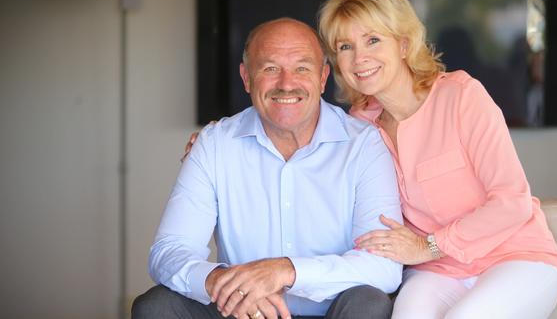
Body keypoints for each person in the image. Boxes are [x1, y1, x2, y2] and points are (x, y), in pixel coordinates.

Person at [317, 0, 557, 319]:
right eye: (345, 46)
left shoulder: (462, 96)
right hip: (437, 270)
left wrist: (427, 246)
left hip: (515, 256)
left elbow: (513, 202)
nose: (359, 58)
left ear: (403, 45)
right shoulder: (359, 123)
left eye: (373, 40)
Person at [133, 18, 403, 319]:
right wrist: (221, 283)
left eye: (302, 68)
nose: (286, 83)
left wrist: (287, 271)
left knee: (370, 303)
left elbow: (384, 266)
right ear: (246, 77)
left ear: (323, 77)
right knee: (155, 306)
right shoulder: (214, 144)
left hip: (333, 312)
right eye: (270, 68)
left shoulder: (363, 145)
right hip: (241, 311)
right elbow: (168, 251)